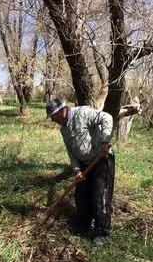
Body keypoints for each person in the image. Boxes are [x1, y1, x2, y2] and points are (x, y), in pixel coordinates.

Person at [46, 98, 115, 246]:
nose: (53, 120)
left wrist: (105, 141)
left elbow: (107, 118)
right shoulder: (63, 128)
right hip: (84, 164)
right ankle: (82, 224)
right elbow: (71, 151)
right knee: (81, 195)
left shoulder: (82, 113)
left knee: (100, 196)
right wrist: (76, 169)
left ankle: (102, 231)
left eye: (53, 117)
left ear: (62, 111)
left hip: (101, 159)